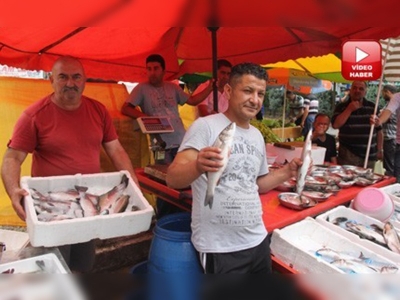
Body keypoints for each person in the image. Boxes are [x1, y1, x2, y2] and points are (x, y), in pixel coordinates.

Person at [0, 56, 139, 272]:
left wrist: (132, 182)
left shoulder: (98, 110)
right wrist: (13, 190)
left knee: (83, 264)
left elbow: (116, 150)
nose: (70, 83)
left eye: (76, 77)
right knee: (54, 265)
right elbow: (12, 158)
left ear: (84, 80)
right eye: (63, 77)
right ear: (51, 80)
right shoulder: (34, 115)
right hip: (52, 207)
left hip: (88, 205)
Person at [166, 62, 302, 274]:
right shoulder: (206, 126)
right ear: (228, 91)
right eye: (247, 91)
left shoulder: (257, 135)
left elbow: (258, 184)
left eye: (260, 93)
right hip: (220, 248)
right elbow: (173, 178)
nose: (255, 99)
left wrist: (288, 172)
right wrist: (197, 165)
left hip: (258, 240)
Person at [121, 54, 213, 219]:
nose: (152, 72)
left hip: (182, 141)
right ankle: (164, 217)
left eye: (156, 68)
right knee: (163, 181)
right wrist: (145, 118)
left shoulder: (172, 87)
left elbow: (192, 101)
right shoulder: (141, 88)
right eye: (149, 69)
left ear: (163, 70)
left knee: (185, 179)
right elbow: (126, 108)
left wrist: (211, 87)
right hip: (159, 143)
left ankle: (183, 214)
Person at [332, 80, 383, 168]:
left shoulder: (373, 107)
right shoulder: (341, 107)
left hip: (369, 154)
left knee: (366, 181)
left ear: (365, 92)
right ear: (350, 90)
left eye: (361, 89)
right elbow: (336, 125)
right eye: (354, 88)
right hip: (348, 154)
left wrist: (379, 150)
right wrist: (349, 109)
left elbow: (379, 130)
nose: (357, 91)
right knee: (348, 180)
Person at [371, 89, 400, 182]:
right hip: (398, 144)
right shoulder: (397, 97)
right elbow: (388, 112)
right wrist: (378, 121)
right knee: (397, 178)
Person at [380, 85, 397, 176]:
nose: (383, 95)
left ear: (388, 92)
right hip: (393, 137)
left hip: (391, 138)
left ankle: (392, 184)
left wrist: (379, 116)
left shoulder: (393, 104)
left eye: (383, 92)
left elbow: (384, 118)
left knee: (389, 165)